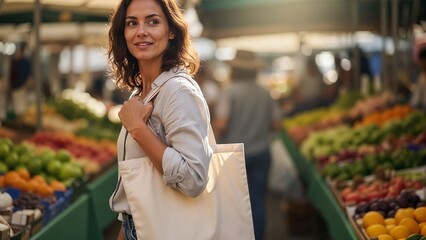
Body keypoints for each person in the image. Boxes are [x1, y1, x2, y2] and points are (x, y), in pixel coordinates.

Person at [107, 0, 212, 239]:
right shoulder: (141, 94)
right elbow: (136, 179)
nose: (141, 31)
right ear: (124, 33)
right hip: (140, 226)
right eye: (132, 23)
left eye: (153, 22)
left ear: (172, 31)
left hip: (168, 228)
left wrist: (139, 130)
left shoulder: (178, 91)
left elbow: (194, 179)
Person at [213, 49, 282, 240]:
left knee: (234, 204)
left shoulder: (229, 92)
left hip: (234, 157)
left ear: (234, 70)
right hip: (261, 152)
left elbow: (222, 124)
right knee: (258, 202)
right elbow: (276, 123)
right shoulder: (265, 93)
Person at [9, 42, 32, 116]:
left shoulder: (23, 62)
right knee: (18, 106)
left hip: (21, 86)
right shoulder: (15, 62)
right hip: (16, 87)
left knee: (21, 106)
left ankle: (21, 117)